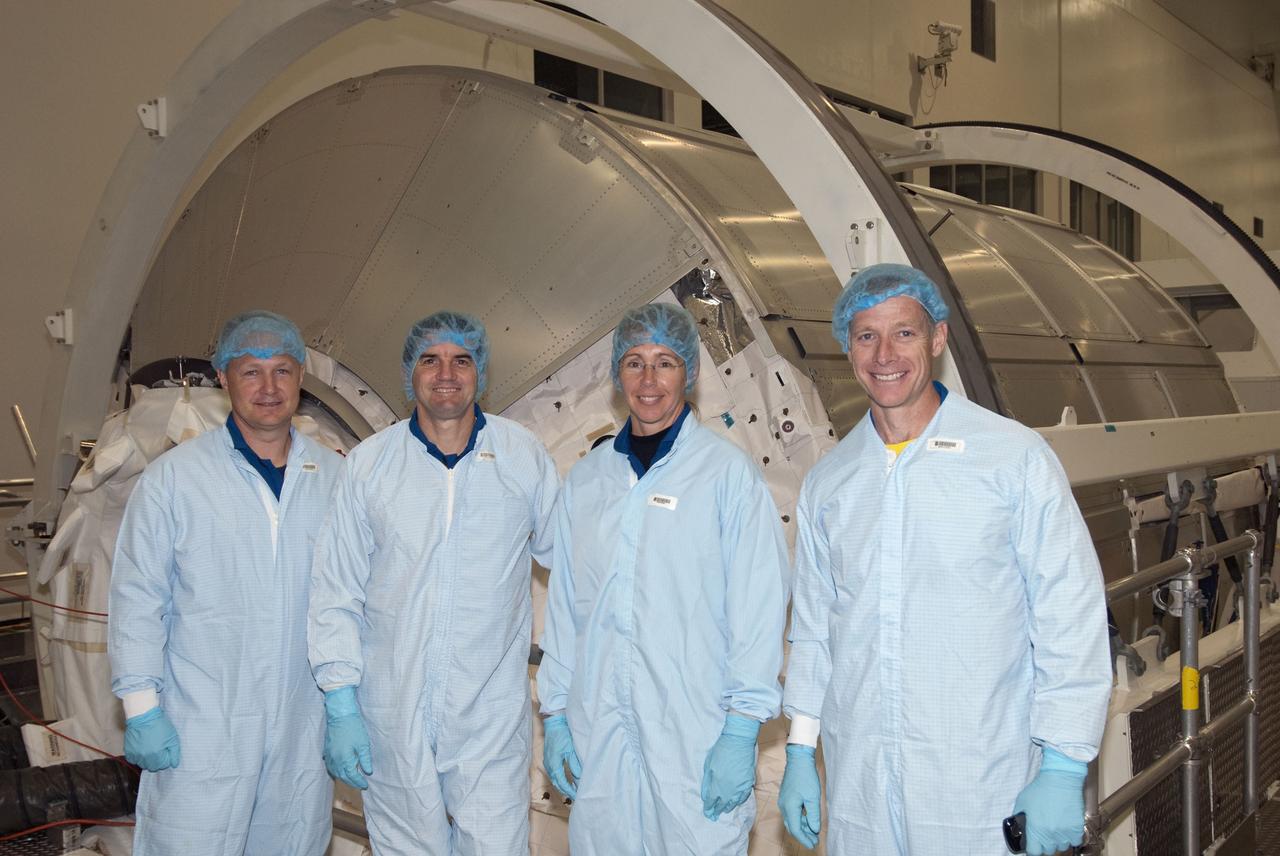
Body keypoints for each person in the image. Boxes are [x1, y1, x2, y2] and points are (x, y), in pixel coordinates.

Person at [777, 263, 1112, 855]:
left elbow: (1069, 613)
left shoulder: (1011, 458)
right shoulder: (830, 482)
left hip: (978, 782)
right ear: (847, 347)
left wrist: (1063, 766)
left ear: (936, 338)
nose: (884, 354)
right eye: (866, 335)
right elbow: (813, 631)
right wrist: (801, 748)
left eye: (904, 333)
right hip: (861, 785)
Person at [537, 302, 789, 855]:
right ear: (617, 374)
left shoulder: (726, 475)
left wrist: (742, 728)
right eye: (634, 362)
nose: (648, 380)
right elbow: (566, 606)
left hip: (694, 734)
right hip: (599, 728)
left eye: (665, 362)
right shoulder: (588, 481)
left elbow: (759, 606)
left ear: (689, 373)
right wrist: (554, 712)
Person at [308, 310, 558, 855]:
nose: (446, 374)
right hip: (392, 714)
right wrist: (341, 700)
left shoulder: (522, 457)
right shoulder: (371, 466)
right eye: (431, 360)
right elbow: (337, 591)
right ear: (410, 373)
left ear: (480, 372)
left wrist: (563, 701)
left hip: (489, 716)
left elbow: (572, 570)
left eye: (461, 360)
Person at [109, 311, 340, 855]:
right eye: (251, 371)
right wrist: (141, 708)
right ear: (223, 378)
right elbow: (138, 599)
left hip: (301, 725)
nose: (268, 387)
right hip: (202, 725)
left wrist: (349, 704)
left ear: (300, 377)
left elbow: (352, 600)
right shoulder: (175, 479)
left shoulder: (335, 479)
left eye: (282, 370)